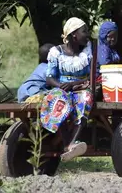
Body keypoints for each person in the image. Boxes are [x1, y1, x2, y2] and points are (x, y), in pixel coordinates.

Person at [40, 17, 94, 161]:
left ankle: (72, 144)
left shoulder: (88, 52)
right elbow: (49, 78)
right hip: (61, 88)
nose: (87, 34)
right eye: (84, 31)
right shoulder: (56, 52)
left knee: (85, 99)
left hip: (82, 88)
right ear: (74, 34)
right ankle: (67, 144)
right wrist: (61, 86)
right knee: (60, 100)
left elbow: (91, 77)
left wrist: (74, 84)